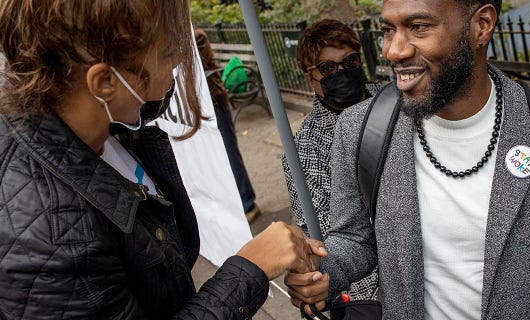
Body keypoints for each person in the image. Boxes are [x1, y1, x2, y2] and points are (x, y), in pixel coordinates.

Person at [286, 0, 530, 319]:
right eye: (388, 30)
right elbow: (353, 239)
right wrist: (325, 272)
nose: (393, 51)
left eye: (419, 26)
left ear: (481, 25)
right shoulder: (360, 130)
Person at [0, 1, 323, 319]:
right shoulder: (55, 238)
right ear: (105, 83)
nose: (180, 63)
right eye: (169, 51)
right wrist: (250, 270)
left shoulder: (108, 128)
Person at [281, 19, 382, 301]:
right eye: (327, 68)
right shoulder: (303, 151)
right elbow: (329, 235)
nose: (342, 73)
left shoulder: (394, 100)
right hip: (371, 288)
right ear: (309, 77)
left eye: (349, 62)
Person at [194, 28, 261, 223]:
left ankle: (248, 203)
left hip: (214, 103)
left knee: (230, 155)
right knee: (214, 160)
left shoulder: (196, 37)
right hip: (197, 109)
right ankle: (237, 205)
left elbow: (200, 67)